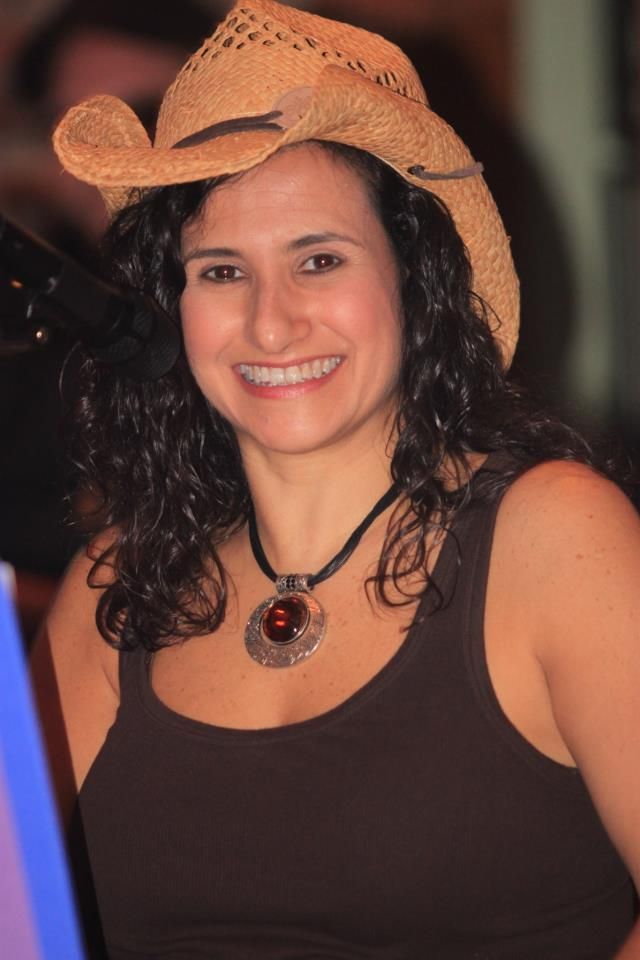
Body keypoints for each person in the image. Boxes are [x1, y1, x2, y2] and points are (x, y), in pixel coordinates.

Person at [33, 1, 639, 957]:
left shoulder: (556, 537)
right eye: (221, 271)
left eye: (318, 260)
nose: (271, 324)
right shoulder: (120, 581)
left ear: (416, 282)